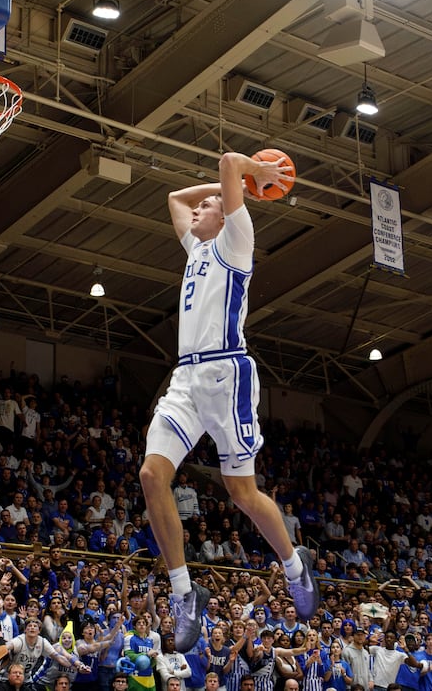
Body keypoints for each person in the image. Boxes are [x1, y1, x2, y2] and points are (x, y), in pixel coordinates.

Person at [138, 151, 312, 652]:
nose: (197, 211)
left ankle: (295, 568)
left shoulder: (237, 242)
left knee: (241, 492)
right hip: (186, 378)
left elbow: (228, 161)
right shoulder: (195, 246)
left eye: (209, 204)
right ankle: (183, 593)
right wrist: (214, 189)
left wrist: (246, 179)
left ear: (229, 211)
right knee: (152, 476)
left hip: (226, 373)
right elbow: (175, 197)